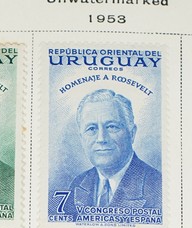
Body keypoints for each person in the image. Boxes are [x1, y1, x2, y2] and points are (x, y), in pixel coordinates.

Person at [63, 89, 161, 218]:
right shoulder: (79, 183)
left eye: (112, 127)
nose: (101, 139)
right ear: (82, 138)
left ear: (132, 134)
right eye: (91, 129)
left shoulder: (157, 187)